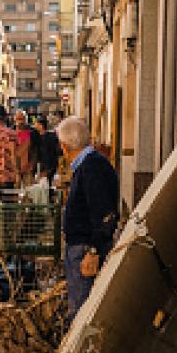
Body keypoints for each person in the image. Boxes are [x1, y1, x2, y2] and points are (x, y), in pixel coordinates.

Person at [57, 116, 119, 322]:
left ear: (64, 146)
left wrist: (93, 250)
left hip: (85, 249)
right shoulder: (89, 164)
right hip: (82, 247)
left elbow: (104, 214)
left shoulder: (92, 168)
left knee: (83, 311)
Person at [34, 115, 62, 184]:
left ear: (41, 125)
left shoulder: (46, 137)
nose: (34, 126)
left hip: (47, 166)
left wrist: (46, 169)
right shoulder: (51, 135)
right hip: (50, 165)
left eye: (36, 124)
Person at [14, 110, 38, 185]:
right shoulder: (11, 132)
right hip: (15, 169)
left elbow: (36, 150)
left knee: (29, 192)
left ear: (26, 119)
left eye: (22, 119)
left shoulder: (33, 132)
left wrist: (32, 165)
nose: (20, 121)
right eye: (18, 119)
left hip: (29, 168)